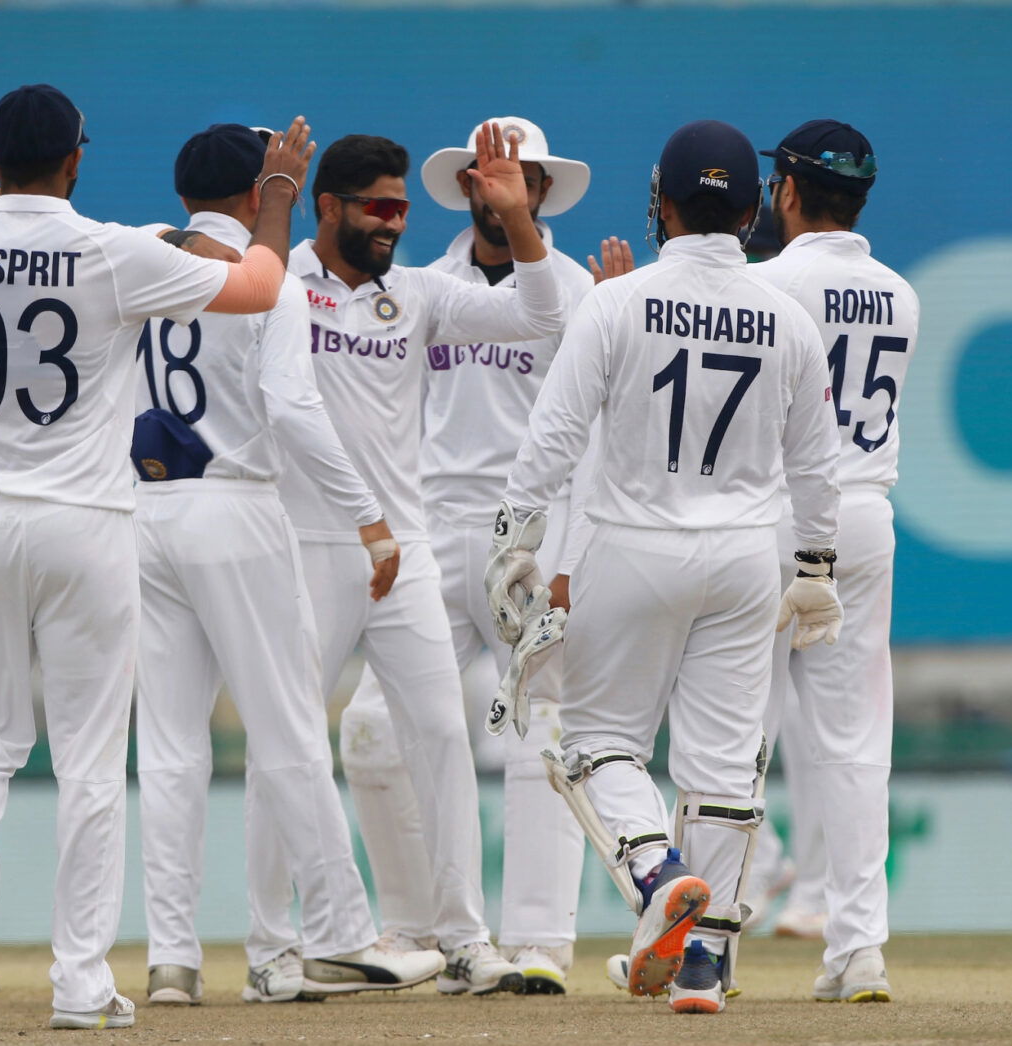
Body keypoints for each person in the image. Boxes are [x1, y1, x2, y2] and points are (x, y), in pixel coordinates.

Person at [0, 84, 306, 1029]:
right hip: (90, 523)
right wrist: (275, 196)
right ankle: (79, 984)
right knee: (92, 761)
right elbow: (259, 287)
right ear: (73, 161)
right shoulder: (110, 248)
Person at [497, 119, 842, 1015]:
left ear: (664, 203)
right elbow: (816, 461)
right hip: (743, 557)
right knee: (725, 765)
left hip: (631, 542)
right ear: (755, 206)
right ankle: (705, 969)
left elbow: (557, 434)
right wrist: (815, 565)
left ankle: (657, 875)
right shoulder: (789, 316)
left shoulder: (618, 302)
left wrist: (517, 537)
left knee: (598, 742)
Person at [243, 124, 566, 997]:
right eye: (377, 208)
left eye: (400, 208)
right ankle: (272, 951)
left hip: (404, 551)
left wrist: (514, 216)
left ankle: (466, 941)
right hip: (308, 545)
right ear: (329, 208)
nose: (393, 224)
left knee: (439, 738)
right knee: (287, 745)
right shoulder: (279, 288)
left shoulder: (419, 293)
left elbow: (542, 314)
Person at [131, 123, 443, 1006]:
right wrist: (370, 516)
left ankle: (173, 960)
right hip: (237, 505)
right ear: (259, 189)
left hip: (148, 514)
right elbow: (294, 410)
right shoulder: (267, 287)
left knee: (170, 747)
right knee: (291, 731)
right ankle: (339, 938)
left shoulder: (148, 253)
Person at [339, 116, 616, 994]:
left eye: (522, 177)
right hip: (430, 523)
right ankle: (419, 931)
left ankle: (539, 940)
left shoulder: (576, 290)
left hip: (532, 533)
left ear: (539, 190)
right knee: (375, 729)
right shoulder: (419, 287)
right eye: (490, 175)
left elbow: (600, 433)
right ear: (466, 186)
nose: (505, 188)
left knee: (540, 730)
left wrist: (573, 549)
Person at [752, 118, 918, 1003]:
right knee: (856, 744)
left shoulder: (769, 284)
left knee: (738, 725)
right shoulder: (900, 292)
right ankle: (858, 950)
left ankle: (711, 941)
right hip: (867, 519)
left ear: (785, 190)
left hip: (776, 515)